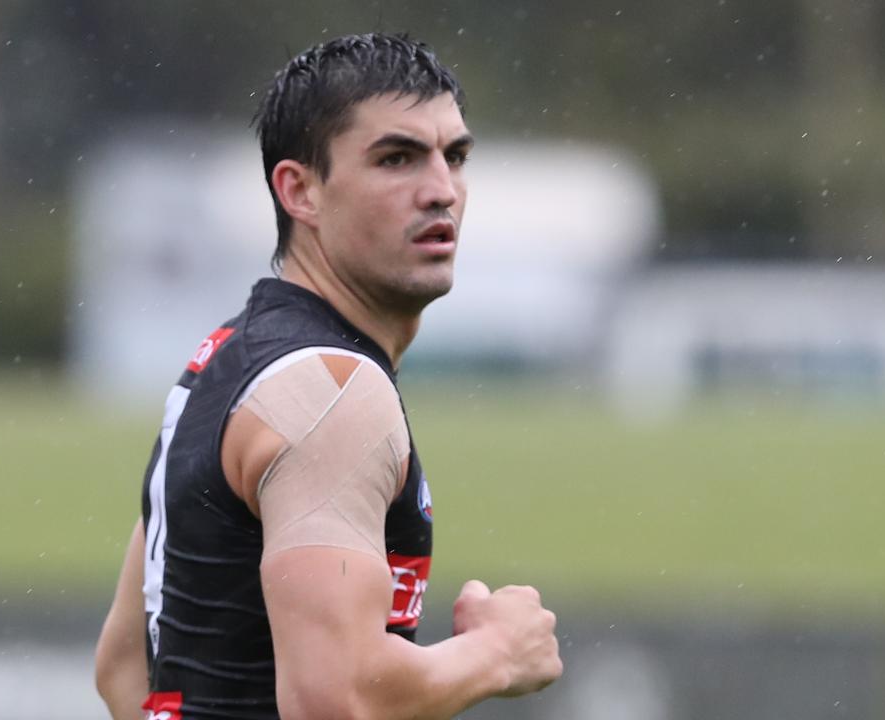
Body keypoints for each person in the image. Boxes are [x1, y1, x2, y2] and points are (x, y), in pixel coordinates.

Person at [94, 32, 562, 720]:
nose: (441, 191)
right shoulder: (332, 392)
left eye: (454, 156)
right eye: (396, 158)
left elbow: (125, 672)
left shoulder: (225, 361)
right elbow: (334, 698)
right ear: (301, 190)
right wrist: (498, 654)